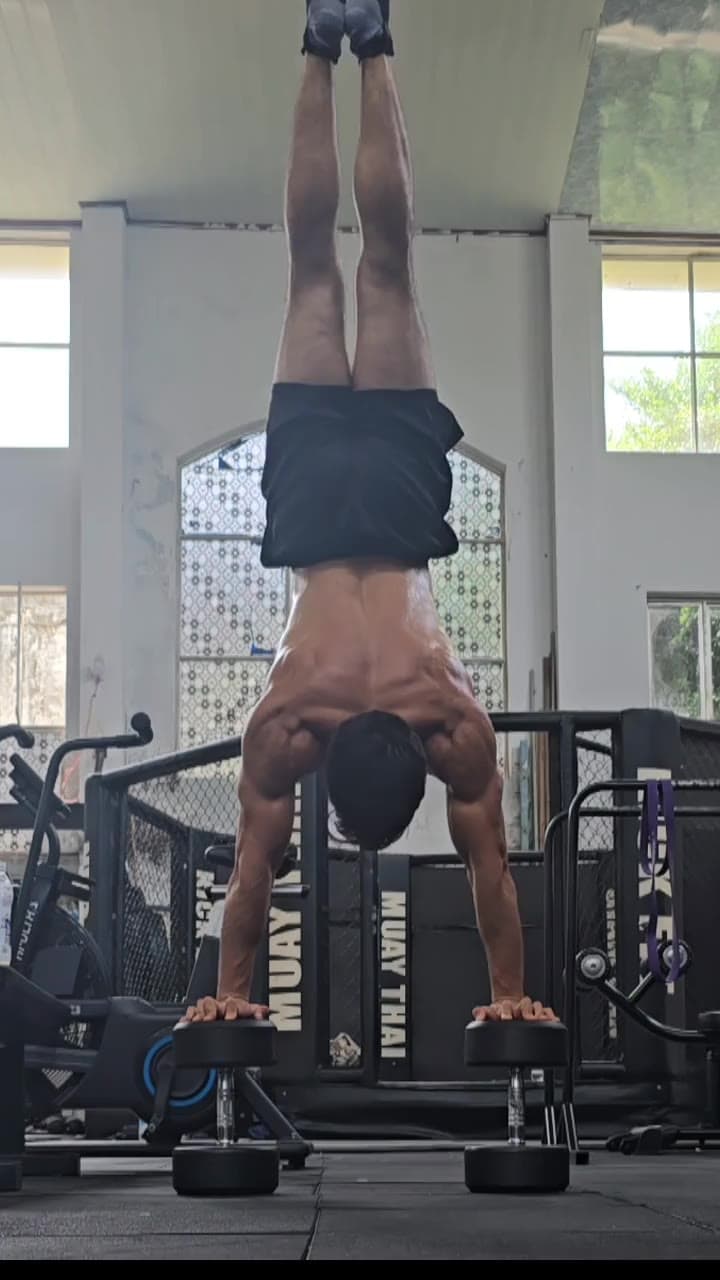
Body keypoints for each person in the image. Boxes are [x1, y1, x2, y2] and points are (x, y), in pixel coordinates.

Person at [186, 0, 556, 1027]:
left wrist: (513, 993)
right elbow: (252, 878)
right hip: (313, 513)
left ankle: (372, 36)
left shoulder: (447, 715)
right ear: (327, 770)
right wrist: (228, 994)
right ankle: (320, 39)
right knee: (311, 267)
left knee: (386, 262)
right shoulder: (288, 721)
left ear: (416, 761)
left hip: (392, 510)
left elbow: (491, 871)